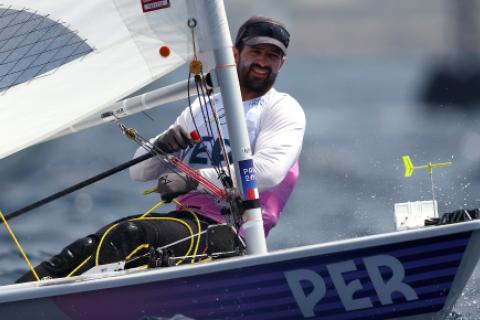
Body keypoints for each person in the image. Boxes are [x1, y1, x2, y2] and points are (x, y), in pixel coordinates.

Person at [16, 16, 305, 282]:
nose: (263, 62)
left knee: (128, 235)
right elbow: (139, 172)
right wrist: (160, 147)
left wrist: (193, 179)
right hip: (185, 224)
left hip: (229, 236)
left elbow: (268, 172)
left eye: (272, 56)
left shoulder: (282, 109)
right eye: (256, 52)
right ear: (235, 54)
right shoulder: (203, 108)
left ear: (282, 63)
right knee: (86, 247)